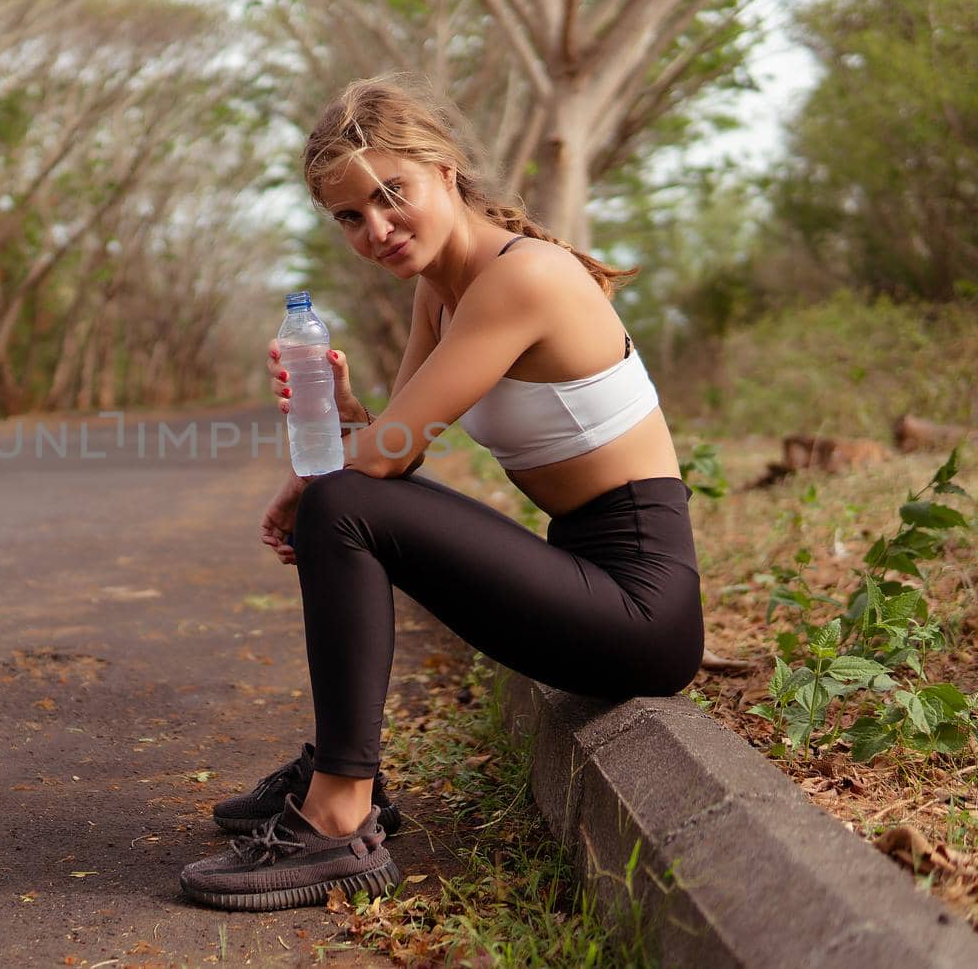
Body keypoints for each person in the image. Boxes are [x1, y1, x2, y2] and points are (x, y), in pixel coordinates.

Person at [179, 74, 705, 912]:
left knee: (341, 504)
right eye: (351, 215)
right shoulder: (443, 288)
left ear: (448, 171)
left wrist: (327, 474)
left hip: (640, 612)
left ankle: (339, 812)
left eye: (394, 195)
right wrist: (350, 416)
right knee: (342, 504)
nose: (376, 228)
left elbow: (378, 472)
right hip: (586, 581)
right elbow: (399, 449)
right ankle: (336, 776)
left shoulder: (522, 277)